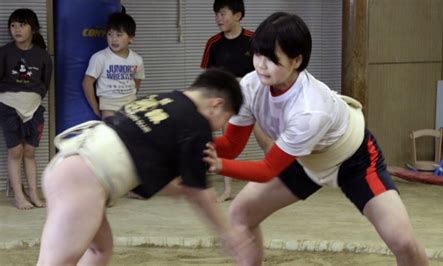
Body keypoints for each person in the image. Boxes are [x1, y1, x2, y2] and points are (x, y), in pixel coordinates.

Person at [204, 12, 429, 265]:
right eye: (257, 55)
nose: (260, 65)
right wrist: (195, 147)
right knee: (241, 214)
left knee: (403, 242)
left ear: (296, 60)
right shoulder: (251, 86)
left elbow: (267, 169)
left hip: (354, 159)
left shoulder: (310, 108)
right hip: (302, 159)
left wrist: (218, 164)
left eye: (271, 58)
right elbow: (232, 145)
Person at [37, 69, 253, 265]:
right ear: (216, 105)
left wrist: (176, 189)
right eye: (227, 118)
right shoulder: (196, 125)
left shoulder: (163, 100)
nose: (221, 127)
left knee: (100, 249)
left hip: (70, 165)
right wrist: (228, 233)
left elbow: (139, 153)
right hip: (83, 180)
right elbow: (199, 192)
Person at [201, 0, 261, 202]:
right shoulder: (213, 43)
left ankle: (277, 183)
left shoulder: (254, 40)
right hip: (229, 102)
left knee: (266, 140)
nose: (219, 19)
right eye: (216, 14)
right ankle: (227, 190)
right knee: (227, 145)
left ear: (238, 15)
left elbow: (265, 70)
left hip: (256, 99)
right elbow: (208, 78)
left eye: (223, 13)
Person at [0, 8, 52, 209]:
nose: (16, 29)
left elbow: (45, 83)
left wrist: (33, 99)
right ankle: (19, 196)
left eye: (22, 25)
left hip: (34, 108)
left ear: (33, 29)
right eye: (13, 25)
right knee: (15, 151)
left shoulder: (42, 56)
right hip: (8, 106)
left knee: (29, 151)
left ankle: (34, 193)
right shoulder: (4, 52)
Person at [83, 12, 145, 120]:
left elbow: (137, 81)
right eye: (110, 34)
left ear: (131, 38)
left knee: (129, 134)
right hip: (109, 106)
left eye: (119, 35)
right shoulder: (100, 58)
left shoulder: (137, 59)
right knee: (112, 133)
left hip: (130, 105)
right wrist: (95, 107)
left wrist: (131, 98)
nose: (113, 39)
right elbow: (87, 83)